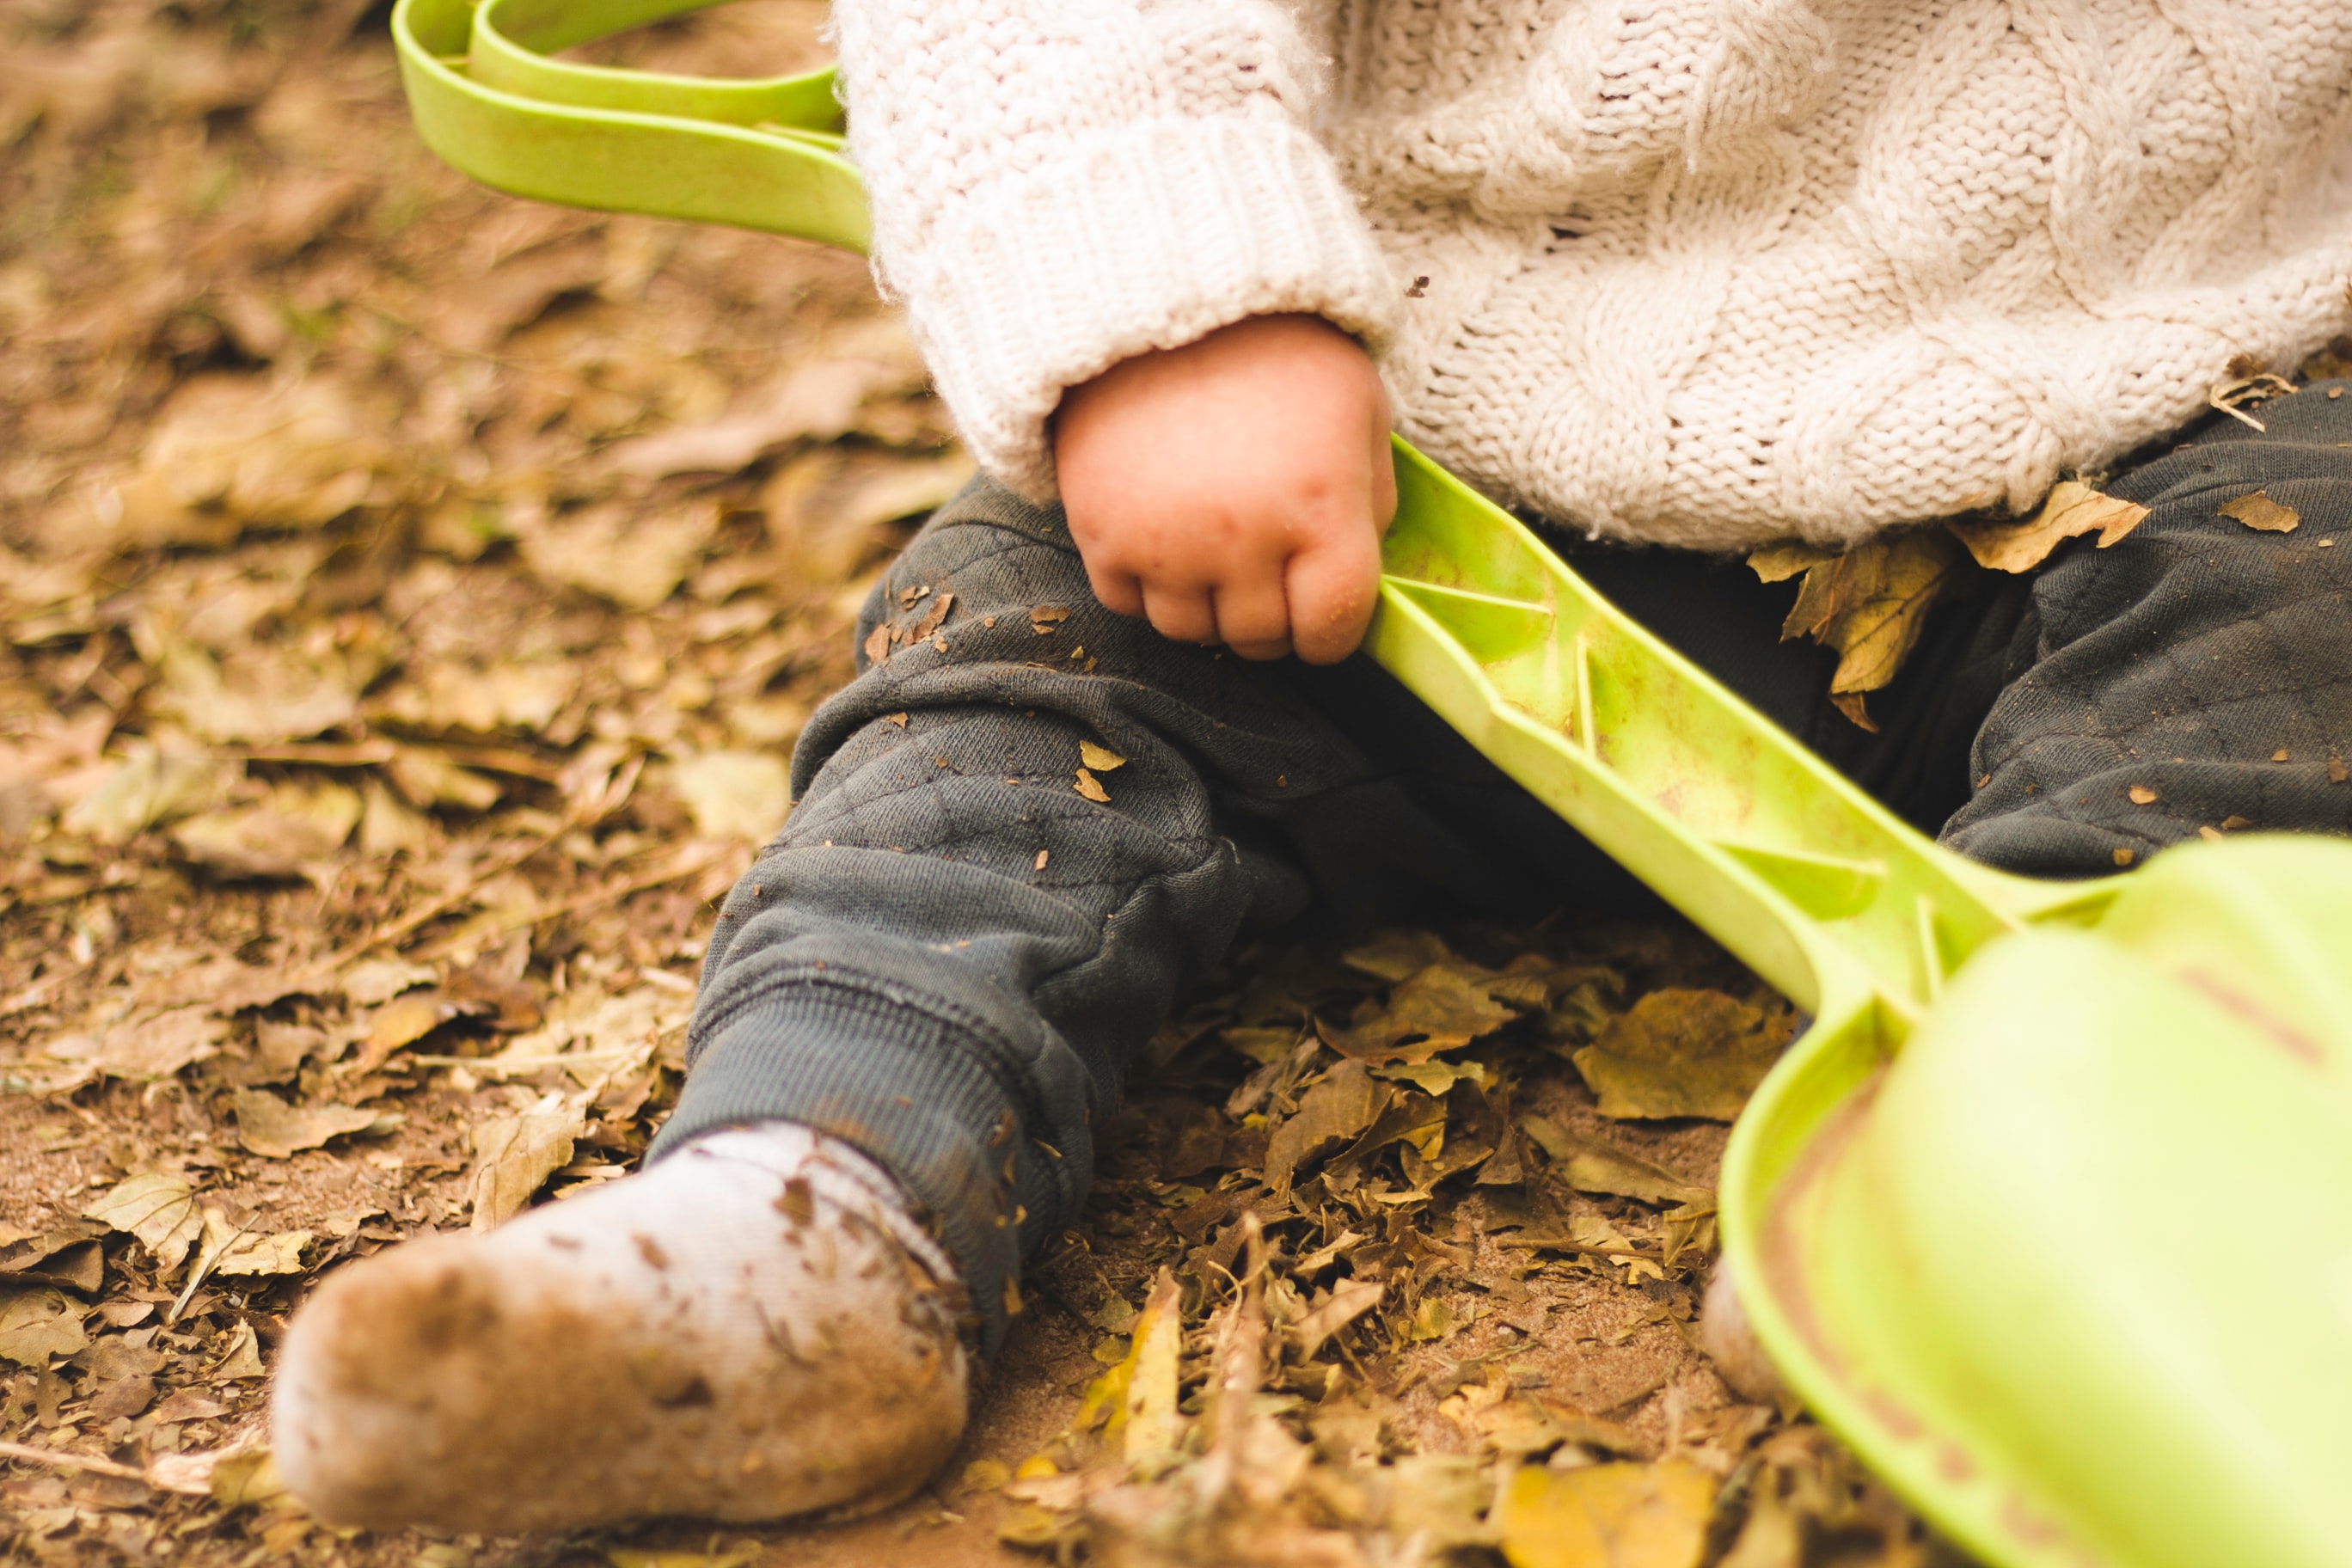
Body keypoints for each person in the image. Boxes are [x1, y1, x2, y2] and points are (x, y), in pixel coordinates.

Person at [271, 0, 2352, 1531]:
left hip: (2167, 404)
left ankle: (2018, 1166)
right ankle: (813, 1203)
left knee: (2302, 595)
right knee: (1020, 677)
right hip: (1425, 475)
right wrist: (1172, 316)